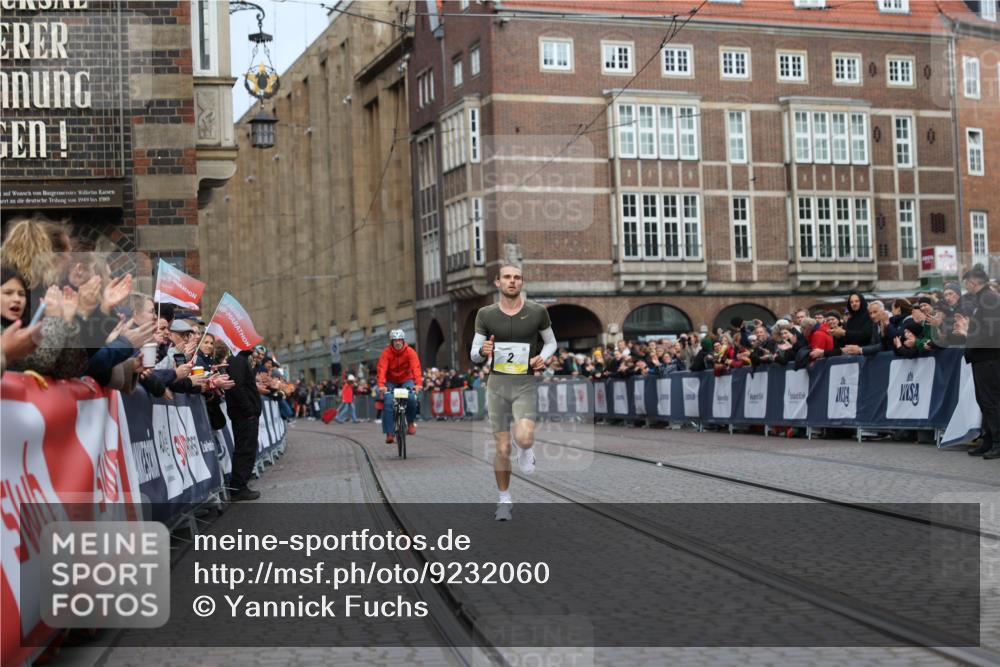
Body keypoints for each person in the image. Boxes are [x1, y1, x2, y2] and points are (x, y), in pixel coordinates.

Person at [470, 264, 557, 521]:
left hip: (525, 383)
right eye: (507, 277)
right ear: (497, 282)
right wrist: (482, 351)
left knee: (525, 438)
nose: (512, 281)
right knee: (502, 447)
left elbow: (552, 342)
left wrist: (542, 357)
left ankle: (526, 449)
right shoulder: (485, 314)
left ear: (522, 283)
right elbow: (474, 354)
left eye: (517, 278)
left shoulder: (537, 312)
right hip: (497, 385)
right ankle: (504, 500)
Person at [952, 269, 1000, 460]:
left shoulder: (989, 299)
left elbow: (992, 332)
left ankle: (997, 442)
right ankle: (988, 441)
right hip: (982, 358)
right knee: (985, 402)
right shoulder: (984, 299)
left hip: (989, 358)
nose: (966, 288)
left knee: (992, 402)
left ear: (973, 282)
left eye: (966, 284)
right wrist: (968, 328)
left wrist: (967, 334)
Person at [224, 347, 264, 500]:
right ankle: (238, 487)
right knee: (245, 449)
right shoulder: (237, 360)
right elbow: (237, 387)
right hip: (243, 415)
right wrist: (249, 410)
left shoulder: (241, 360)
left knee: (247, 448)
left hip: (245, 414)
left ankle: (240, 485)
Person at [376, 329, 423, 442]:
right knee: (388, 401)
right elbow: (382, 369)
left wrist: (418, 384)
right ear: (391, 342)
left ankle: (410, 422)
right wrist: (382, 385)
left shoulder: (410, 352)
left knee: (411, 398)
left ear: (403, 341)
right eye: (395, 340)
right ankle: (389, 433)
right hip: (390, 381)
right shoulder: (386, 353)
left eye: (399, 340)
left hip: (406, 379)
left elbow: (415, 368)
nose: (397, 342)